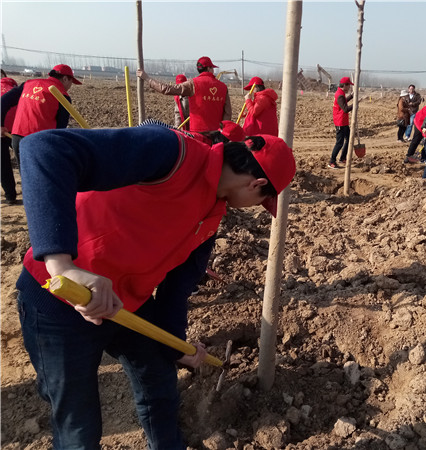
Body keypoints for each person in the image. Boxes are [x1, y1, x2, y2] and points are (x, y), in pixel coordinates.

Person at [16, 122, 295, 448]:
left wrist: (174, 345)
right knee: (79, 427)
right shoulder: (172, 154)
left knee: (160, 384)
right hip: (60, 301)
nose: (254, 209)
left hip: (124, 305)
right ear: (256, 184)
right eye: (262, 202)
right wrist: (62, 265)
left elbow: (178, 286)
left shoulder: (214, 210)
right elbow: (43, 148)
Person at [1, 64, 81, 168]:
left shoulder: (28, 84)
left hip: (17, 138)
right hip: (40, 142)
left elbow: (3, 101)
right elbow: (60, 128)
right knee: (41, 178)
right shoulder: (62, 96)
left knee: (27, 177)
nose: (70, 86)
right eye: (71, 82)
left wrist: (0, 124)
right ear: (65, 78)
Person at [137, 56, 232, 133]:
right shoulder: (223, 87)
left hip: (197, 134)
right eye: (212, 68)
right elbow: (228, 113)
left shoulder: (192, 84)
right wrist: (222, 131)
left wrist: (147, 78)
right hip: (216, 135)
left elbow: (166, 89)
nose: (213, 70)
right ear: (209, 68)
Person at [329, 76, 357, 169]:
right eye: (349, 86)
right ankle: (332, 161)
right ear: (344, 85)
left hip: (344, 121)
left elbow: (344, 102)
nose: (349, 87)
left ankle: (343, 158)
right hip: (340, 122)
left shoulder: (340, 93)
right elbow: (345, 109)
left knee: (349, 140)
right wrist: (355, 104)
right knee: (339, 143)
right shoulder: (340, 95)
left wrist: (352, 96)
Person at [1, 69, 18, 204]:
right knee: (24, 161)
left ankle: (10, 196)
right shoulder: (15, 88)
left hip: (2, 130)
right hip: (19, 131)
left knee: (3, 164)